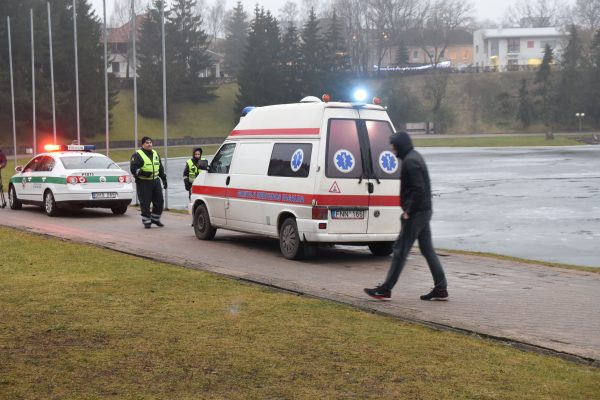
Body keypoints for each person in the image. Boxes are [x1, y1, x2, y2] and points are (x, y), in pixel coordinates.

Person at [364, 131, 448, 301]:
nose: (392, 150)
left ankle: (386, 289)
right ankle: (441, 288)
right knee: (427, 250)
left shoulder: (411, 161)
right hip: (423, 211)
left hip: (416, 213)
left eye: (394, 146)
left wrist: (409, 211)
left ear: (400, 145)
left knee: (400, 250)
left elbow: (419, 189)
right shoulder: (414, 156)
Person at [130, 136, 167, 229]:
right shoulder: (137, 155)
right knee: (145, 203)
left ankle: (155, 218)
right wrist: (143, 173)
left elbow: (160, 167)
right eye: (147, 143)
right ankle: (146, 221)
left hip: (155, 181)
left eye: (150, 142)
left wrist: (164, 179)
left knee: (159, 201)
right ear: (142, 144)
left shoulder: (155, 153)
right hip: (143, 182)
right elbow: (134, 168)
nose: (149, 144)